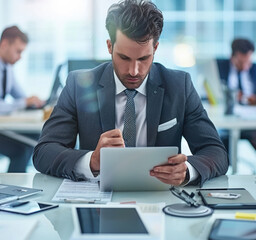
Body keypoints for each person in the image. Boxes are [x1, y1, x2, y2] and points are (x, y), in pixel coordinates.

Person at [33, 0, 228, 187]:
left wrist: (187, 170)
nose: (134, 71)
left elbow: (216, 153)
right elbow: (44, 152)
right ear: (110, 46)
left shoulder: (179, 86)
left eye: (144, 58)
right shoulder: (78, 85)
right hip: (98, 201)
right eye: (124, 58)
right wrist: (92, 161)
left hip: (161, 203)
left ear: (156, 48)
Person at [0, 25, 45, 172]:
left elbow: (19, 95)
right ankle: (12, 191)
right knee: (22, 149)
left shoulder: (7, 68)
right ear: (5, 44)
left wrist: (35, 101)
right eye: (18, 51)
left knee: (35, 136)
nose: (20, 57)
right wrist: (24, 102)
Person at [216, 38, 256, 151]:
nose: (244, 66)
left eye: (247, 62)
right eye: (240, 62)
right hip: (227, 118)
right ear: (232, 56)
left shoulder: (254, 69)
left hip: (250, 120)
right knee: (219, 143)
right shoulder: (219, 67)